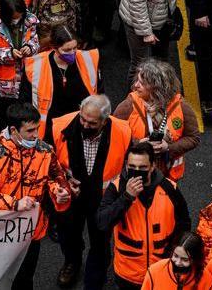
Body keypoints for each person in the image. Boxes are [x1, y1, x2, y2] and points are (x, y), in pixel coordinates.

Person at [0, 103, 72, 289]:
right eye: (30, 131)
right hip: (0, 230)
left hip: (31, 230)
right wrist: (15, 203)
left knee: (25, 279)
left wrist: (60, 192)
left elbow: (56, 177)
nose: (36, 135)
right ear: (13, 130)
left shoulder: (45, 151)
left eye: (37, 129)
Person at [51, 94, 133, 288]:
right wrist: (64, 182)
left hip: (103, 200)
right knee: (69, 234)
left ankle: (95, 278)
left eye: (92, 123)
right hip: (71, 197)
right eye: (82, 119)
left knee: (100, 242)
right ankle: (72, 262)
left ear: (105, 121)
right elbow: (49, 163)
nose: (85, 125)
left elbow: (127, 167)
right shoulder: (58, 126)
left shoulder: (123, 131)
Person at [96, 141, 192, 290]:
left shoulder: (170, 188)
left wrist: (170, 252)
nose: (137, 171)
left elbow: (184, 223)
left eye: (142, 168)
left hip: (161, 271)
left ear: (153, 166)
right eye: (132, 167)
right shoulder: (117, 188)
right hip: (127, 274)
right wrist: (127, 197)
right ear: (127, 165)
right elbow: (102, 223)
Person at [116, 60, 202, 183]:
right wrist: (138, 144)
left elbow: (193, 138)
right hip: (135, 175)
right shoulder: (127, 107)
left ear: (157, 86)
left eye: (142, 83)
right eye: (137, 80)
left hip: (167, 176)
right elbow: (113, 136)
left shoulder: (181, 107)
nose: (135, 85)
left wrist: (168, 147)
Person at [0, 0, 44, 123]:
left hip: (26, 79)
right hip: (5, 84)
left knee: (26, 117)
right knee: (6, 118)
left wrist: (30, 47)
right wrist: (9, 54)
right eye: (15, 17)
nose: (18, 19)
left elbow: (35, 42)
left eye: (20, 16)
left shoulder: (29, 20)